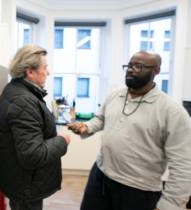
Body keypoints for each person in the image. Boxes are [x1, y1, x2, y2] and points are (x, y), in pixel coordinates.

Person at [68, 51, 191, 210]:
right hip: (100, 176)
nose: (131, 70)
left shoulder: (172, 111)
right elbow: (100, 118)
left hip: (138, 190)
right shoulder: (114, 96)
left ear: (156, 70)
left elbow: (183, 163)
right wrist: (86, 127)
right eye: (129, 65)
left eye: (138, 66)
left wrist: (169, 204)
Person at [0, 44, 71, 210]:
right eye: (45, 68)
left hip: (22, 182)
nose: (48, 72)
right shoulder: (23, 100)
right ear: (30, 71)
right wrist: (62, 140)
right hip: (26, 186)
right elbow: (33, 155)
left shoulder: (17, 91)